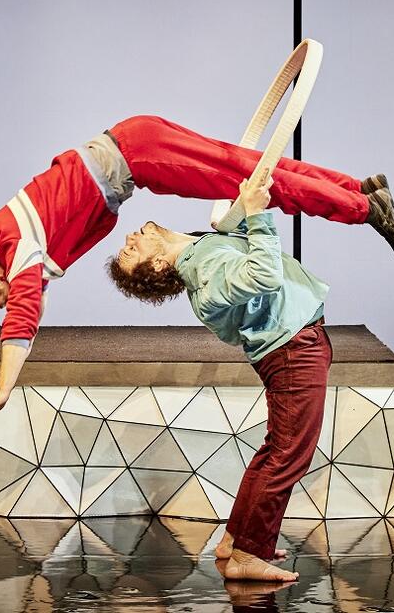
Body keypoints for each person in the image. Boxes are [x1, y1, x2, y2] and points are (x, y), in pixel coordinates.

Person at [0, 114, 394, 430]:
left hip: (138, 155)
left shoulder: (18, 246)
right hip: (134, 142)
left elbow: (24, 317)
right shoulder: (11, 231)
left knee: (256, 185)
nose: (23, 294)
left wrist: (4, 387)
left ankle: (364, 208)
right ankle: (358, 187)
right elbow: (33, 299)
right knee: (249, 167)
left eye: (6, 297)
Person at [107, 172, 331, 583]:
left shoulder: (202, 251)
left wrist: (240, 207)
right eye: (130, 251)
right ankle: (248, 555)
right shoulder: (205, 272)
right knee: (288, 455)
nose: (128, 238)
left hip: (293, 346)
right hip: (293, 351)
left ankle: (236, 541)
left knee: (276, 450)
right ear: (158, 264)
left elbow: (242, 250)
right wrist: (257, 213)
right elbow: (264, 274)